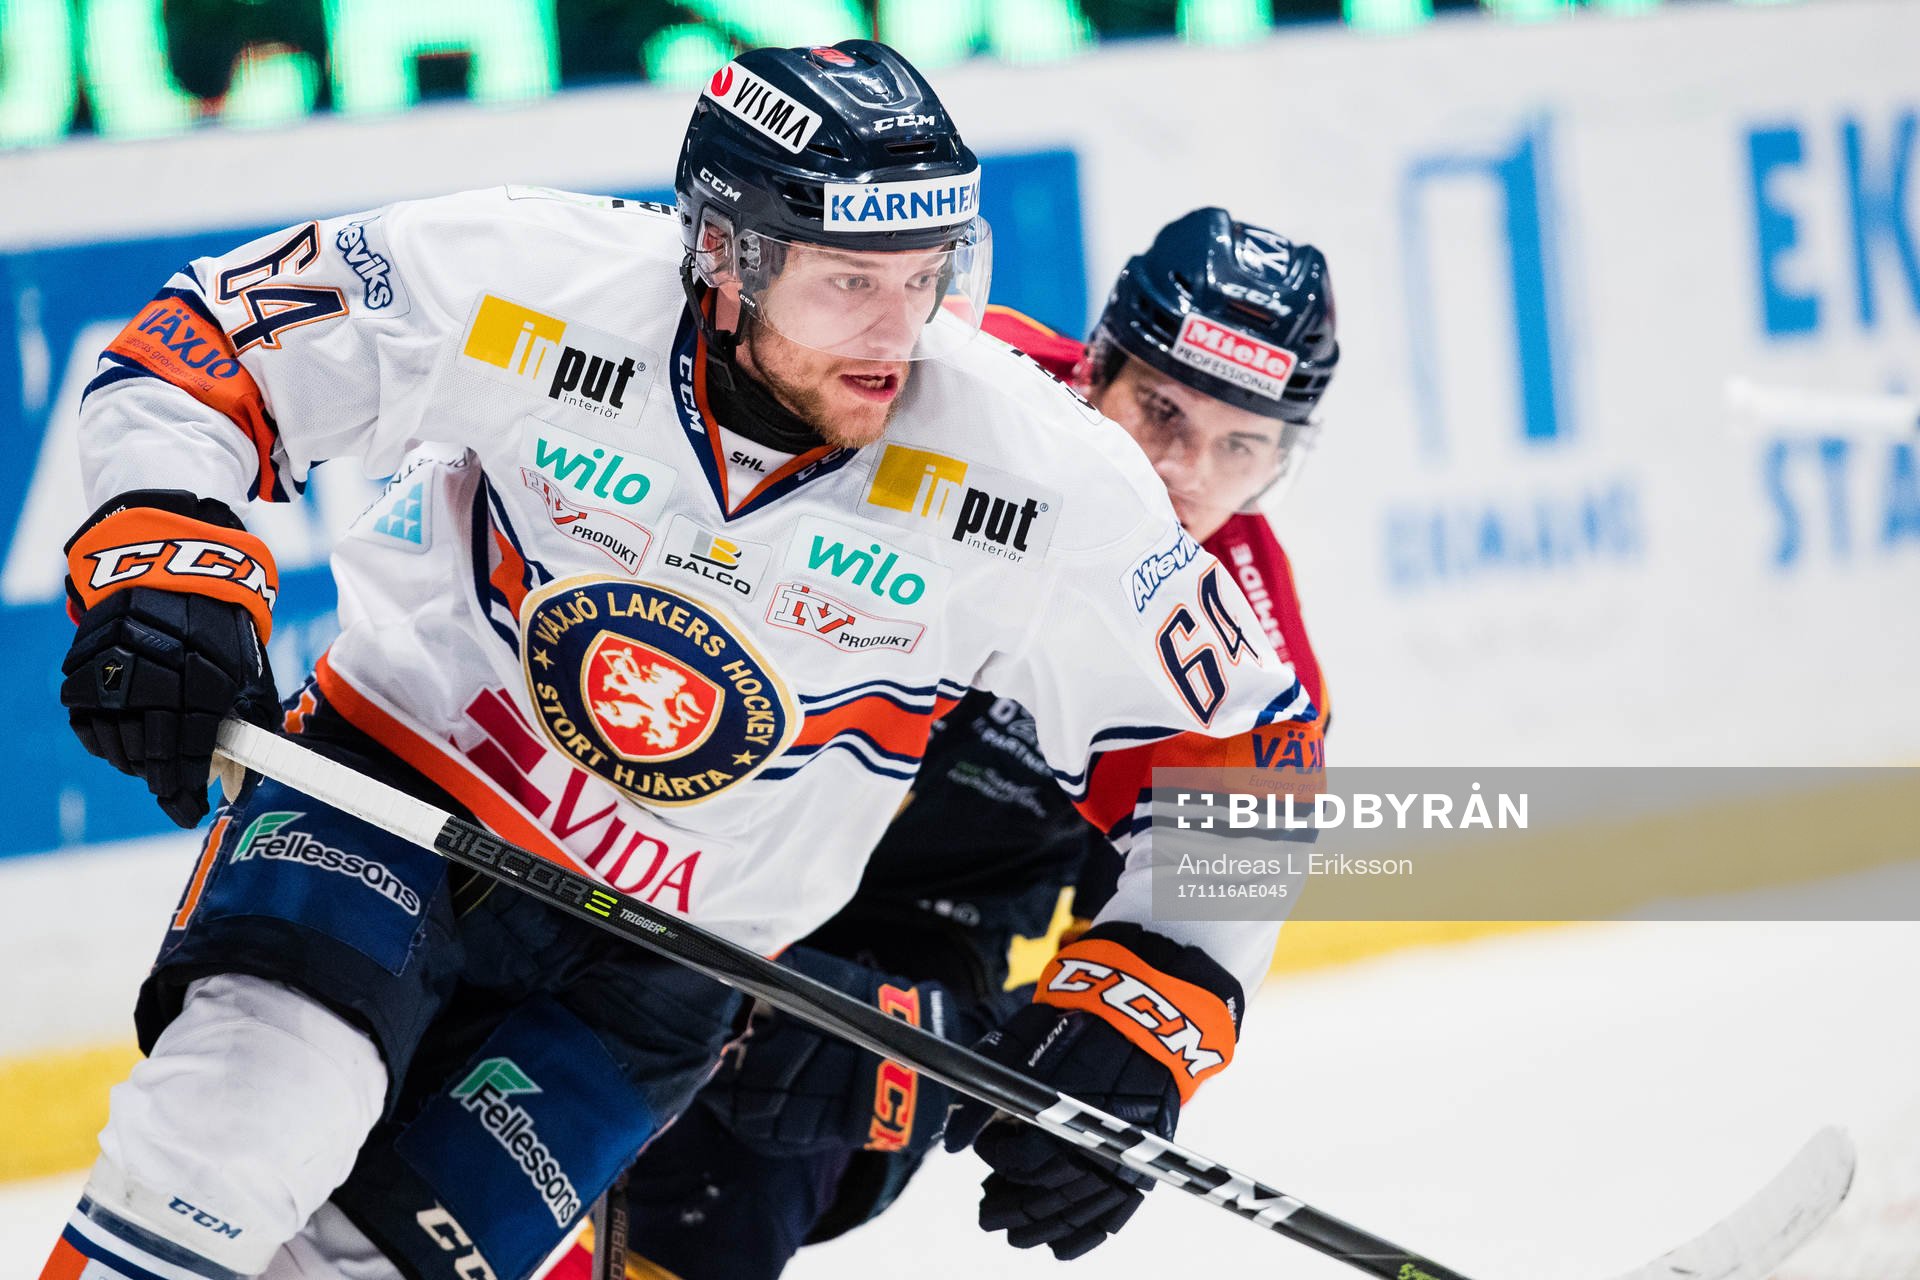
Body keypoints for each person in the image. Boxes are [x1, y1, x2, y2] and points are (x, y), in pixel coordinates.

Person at [41, 40, 1321, 1280]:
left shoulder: (1038, 473)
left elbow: (1254, 745)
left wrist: (1156, 1003)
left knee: (362, 1266)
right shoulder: (532, 276)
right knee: (235, 1133)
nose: (900, 329)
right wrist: (169, 555)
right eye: (849, 280)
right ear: (725, 252)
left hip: (662, 968)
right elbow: (206, 339)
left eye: (929, 273)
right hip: (395, 803)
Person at [545, 207, 1340, 1279]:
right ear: (1096, 369)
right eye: (1159, 409)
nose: (1183, 473)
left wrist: (1119, 1064)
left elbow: (1190, 921)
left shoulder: (1242, 654)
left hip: (908, 953)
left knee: (755, 1152)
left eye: (1240, 444)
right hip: (673, 824)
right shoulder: (949, 380)